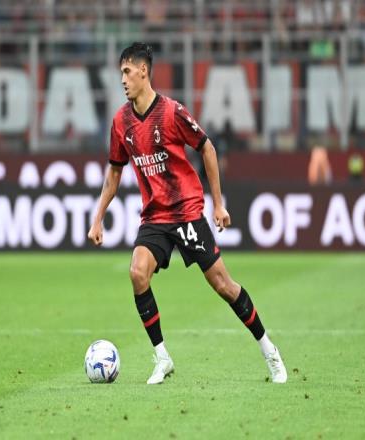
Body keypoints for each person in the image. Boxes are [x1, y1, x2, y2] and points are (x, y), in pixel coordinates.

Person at [88, 42, 287, 385]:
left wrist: (218, 203)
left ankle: (269, 350)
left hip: (186, 212)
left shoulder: (172, 113)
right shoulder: (121, 122)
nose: (122, 79)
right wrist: (97, 217)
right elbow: (115, 172)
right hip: (155, 217)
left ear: (143, 71)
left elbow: (207, 148)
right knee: (137, 273)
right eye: (121, 72)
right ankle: (162, 358)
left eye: (127, 72)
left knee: (223, 285)